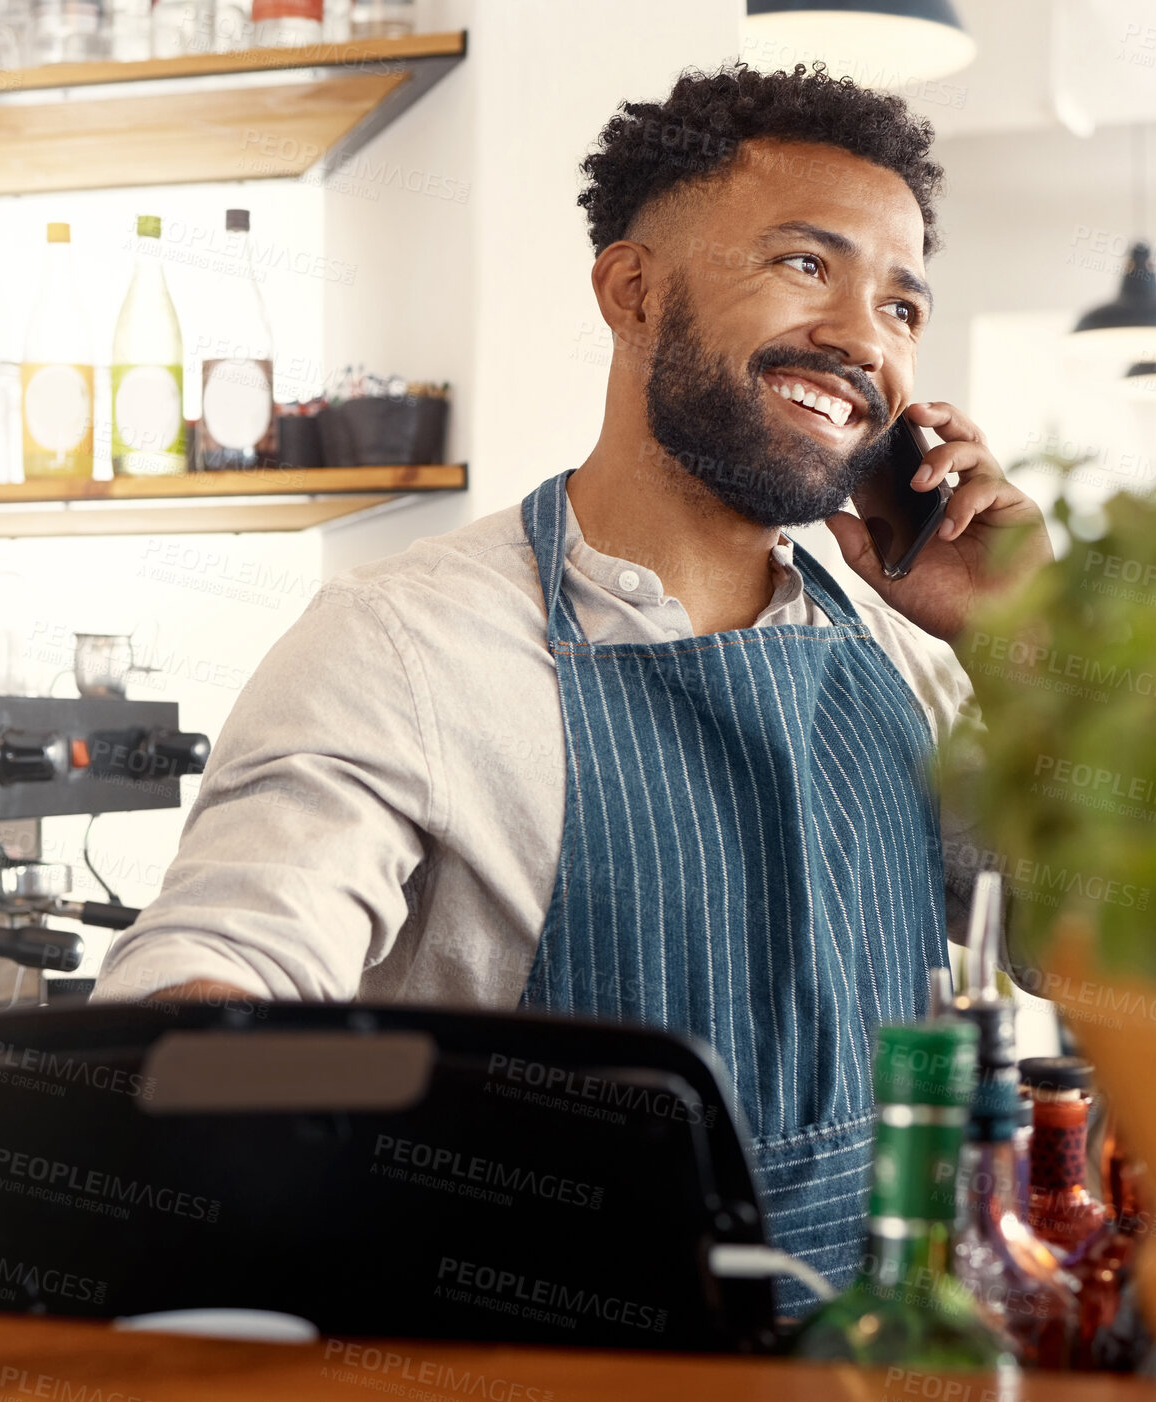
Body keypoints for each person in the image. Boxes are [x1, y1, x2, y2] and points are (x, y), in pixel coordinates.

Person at [93, 62, 1051, 1310]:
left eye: (903, 304)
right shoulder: (401, 645)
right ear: (632, 288)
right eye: (807, 265)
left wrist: (1024, 646)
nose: (866, 338)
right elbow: (189, 1009)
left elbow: (1099, 960)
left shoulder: (912, 662)